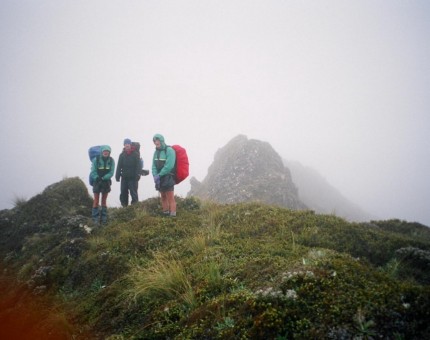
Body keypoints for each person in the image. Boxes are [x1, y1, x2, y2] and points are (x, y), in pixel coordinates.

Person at [152, 134, 177, 217]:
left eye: (157, 140)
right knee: (163, 196)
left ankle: (173, 215)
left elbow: (169, 166)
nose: (156, 142)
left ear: (162, 141)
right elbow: (153, 165)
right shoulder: (156, 152)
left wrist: (159, 175)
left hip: (168, 176)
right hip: (159, 177)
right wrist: (155, 175)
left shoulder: (169, 150)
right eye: (155, 141)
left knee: (170, 197)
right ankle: (165, 213)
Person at [90, 145, 115, 224]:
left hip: (106, 182)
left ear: (109, 152)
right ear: (101, 152)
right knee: (96, 200)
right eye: (104, 151)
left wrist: (104, 178)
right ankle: (95, 219)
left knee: (104, 201)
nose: (106, 152)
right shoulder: (96, 160)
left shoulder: (111, 161)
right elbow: (93, 171)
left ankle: (104, 219)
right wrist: (97, 178)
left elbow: (111, 172)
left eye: (107, 151)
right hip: (97, 182)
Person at [115, 138, 141, 207]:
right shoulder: (122, 155)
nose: (127, 145)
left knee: (133, 193)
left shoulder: (135, 154)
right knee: (123, 193)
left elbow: (138, 166)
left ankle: (134, 207)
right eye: (125, 144)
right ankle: (124, 207)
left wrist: (138, 175)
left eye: (128, 144)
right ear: (124, 145)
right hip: (124, 178)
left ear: (130, 144)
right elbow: (119, 166)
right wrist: (117, 175)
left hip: (133, 178)